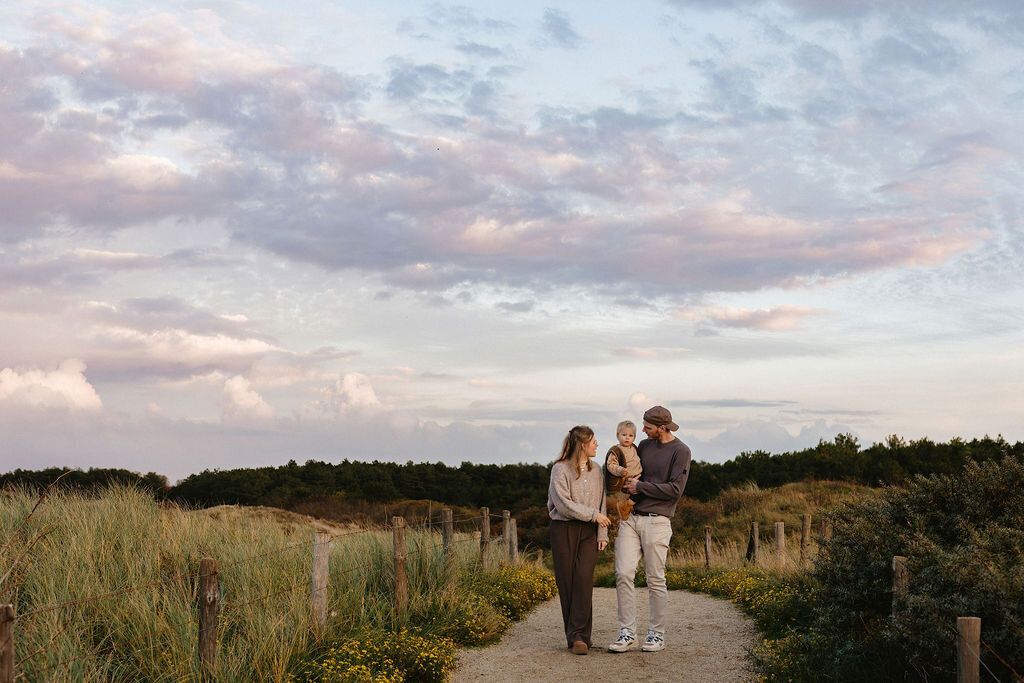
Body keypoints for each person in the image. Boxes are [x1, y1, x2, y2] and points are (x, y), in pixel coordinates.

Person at [607, 406, 691, 654]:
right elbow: (631, 476)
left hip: (658, 521)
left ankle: (656, 634)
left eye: (647, 427)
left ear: (662, 428)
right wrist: (622, 483)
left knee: (655, 579)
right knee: (623, 573)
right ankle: (627, 633)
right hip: (630, 518)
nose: (642, 430)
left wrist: (641, 486)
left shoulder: (681, 451)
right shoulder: (643, 446)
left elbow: (675, 490)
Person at [547, 425, 611, 655]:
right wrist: (594, 515)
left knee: (584, 580)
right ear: (582, 445)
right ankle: (576, 637)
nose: (597, 445)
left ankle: (582, 636)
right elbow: (562, 504)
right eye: (593, 441)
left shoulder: (597, 471)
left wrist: (602, 532)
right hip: (563, 528)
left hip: (590, 530)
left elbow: (602, 501)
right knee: (568, 582)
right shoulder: (560, 469)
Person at [605, 420, 642, 520]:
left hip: (638, 476)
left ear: (634, 437)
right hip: (627, 478)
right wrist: (620, 471)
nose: (627, 437)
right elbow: (611, 465)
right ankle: (625, 506)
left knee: (648, 489)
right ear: (618, 436)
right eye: (624, 435)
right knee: (642, 491)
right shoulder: (617, 450)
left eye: (630, 435)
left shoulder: (634, 448)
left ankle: (628, 507)